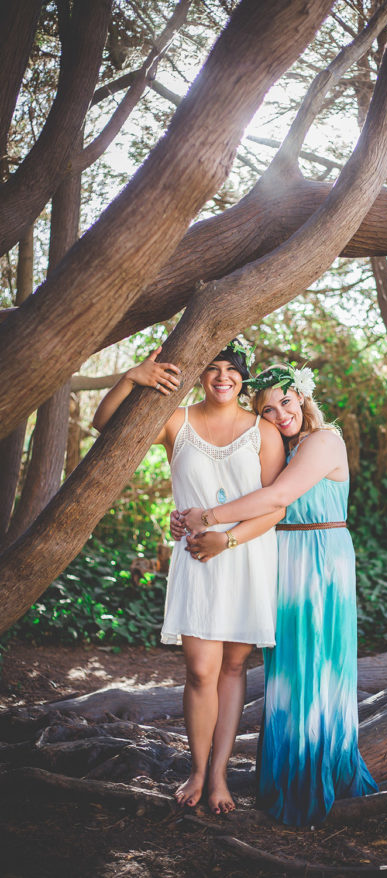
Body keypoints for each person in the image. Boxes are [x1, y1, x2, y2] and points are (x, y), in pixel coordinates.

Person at [177, 363, 377, 826]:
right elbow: (238, 484)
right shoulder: (281, 446)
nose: (279, 413)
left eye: (285, 401)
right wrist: (186, 514)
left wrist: (206, 518)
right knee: (285, 672)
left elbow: (276, 497)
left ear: (303, 397)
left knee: (315, 668)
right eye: (267, 408)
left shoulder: (324, 440)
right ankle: (283, 775)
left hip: (320, 561)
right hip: (282, 560)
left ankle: (315, 776)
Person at [93, 340, 285, 815]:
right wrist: (132, 378)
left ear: (244, 377)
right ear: (200, 374)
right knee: (200, 670)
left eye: (232, 370)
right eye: (213, 368)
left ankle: (219, 774)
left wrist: (229, 539)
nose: (223, 377)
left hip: (246, 555)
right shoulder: (175, 420)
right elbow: (105, 427)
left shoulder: (264, 430)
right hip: (196, 559)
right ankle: (196, 770)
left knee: (234, 669)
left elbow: (275, 506)